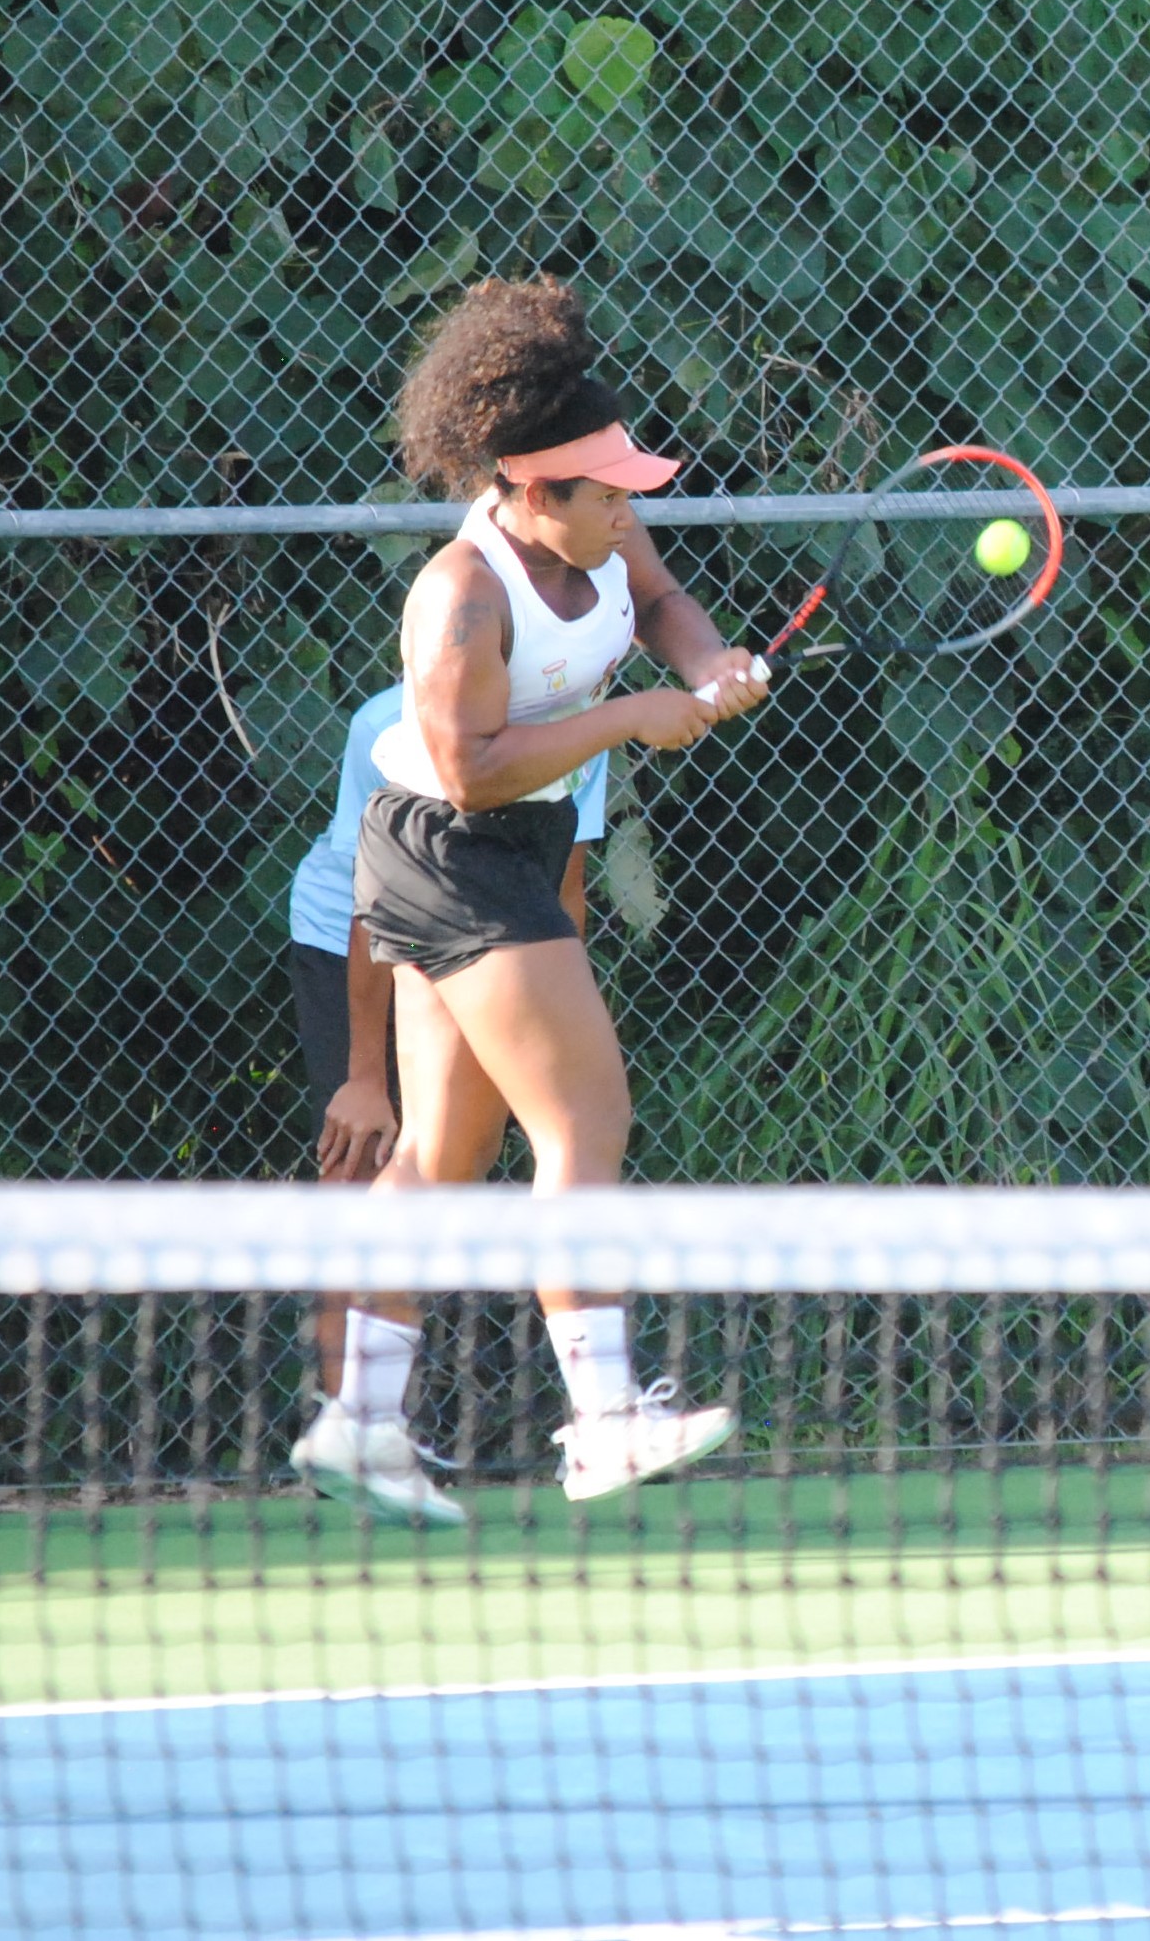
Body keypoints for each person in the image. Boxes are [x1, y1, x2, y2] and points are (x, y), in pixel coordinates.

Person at [290, 276, 766, 1526]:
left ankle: (359, 1424)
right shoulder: (461, 590)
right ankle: (604, 1421)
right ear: (528, 489)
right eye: (602, 490)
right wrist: (633, 719)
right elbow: (464, 765)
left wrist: (704, 661)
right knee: (586, 1116)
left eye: (625, 488)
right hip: (449, 851)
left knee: (446, 1152)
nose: (627, 506)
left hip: (509, 843)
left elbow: (660, 604)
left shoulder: (607, 538)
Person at [284, 682, 608, 1444]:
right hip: (353, 934)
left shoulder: (581, 726)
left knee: (462, 1151)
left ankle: (380, 1422)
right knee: (358, 1166)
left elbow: (564, 886)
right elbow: (373, 902)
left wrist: (557, 1016)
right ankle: (354, 1429)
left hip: (491, 925)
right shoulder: (386, 727)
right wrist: (364, 1077)